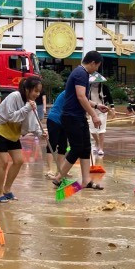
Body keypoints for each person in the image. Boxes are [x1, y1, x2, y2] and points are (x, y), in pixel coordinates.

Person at [51, 51, 108, 190]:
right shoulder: (81, 74)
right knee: (77, 147)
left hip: (78, 116)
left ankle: (86, 181)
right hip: (72, 116)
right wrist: (94, 115)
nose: (96, 70)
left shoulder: (81, 73)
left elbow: (80, 97)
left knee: (86, 148)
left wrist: (96, 105)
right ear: (93, 63)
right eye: (97, 67)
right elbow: (81, 97)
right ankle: (59, 177)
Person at [0, 76, 47, 202]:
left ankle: (7, 190)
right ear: (26, 89)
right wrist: (26, 108)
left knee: (19, 161)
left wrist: (39, 133)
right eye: (35, 91)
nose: (37, 94)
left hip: (13, 134)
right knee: (3, 162)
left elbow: (31, 121)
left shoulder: (32, 103)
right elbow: (10, 117)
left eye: (39, 91)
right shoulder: (14, 96)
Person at [88, 73, 114, 156]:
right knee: (92, 129)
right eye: (94, 81)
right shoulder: (88, 88)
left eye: (97, 81)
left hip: (103, 110)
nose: (96, 83)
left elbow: (110, 99)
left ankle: (101, 148)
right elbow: (86, 100)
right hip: (92, 110)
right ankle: (97, 142)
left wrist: (112, 108)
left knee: (101, 130)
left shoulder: (104, 88)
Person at [44, 90, 68, 178]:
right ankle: (50, 169)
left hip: (64, 122)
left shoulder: (75, 93)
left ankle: (59, 170)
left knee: (63, 146)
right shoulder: (68, 93)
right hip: (54, 119)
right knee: (52, 144)